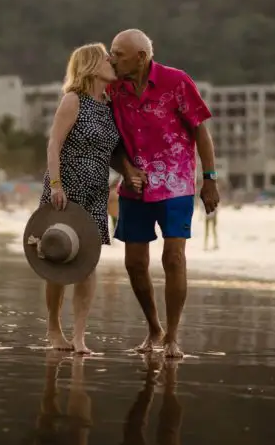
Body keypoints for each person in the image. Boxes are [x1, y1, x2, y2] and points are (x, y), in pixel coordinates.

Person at [108, 29, 220, 358]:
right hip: (134, 187)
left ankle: (172, 336)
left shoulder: (176, 82)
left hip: (177, 185)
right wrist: (127, 171)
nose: (112, 59)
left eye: (119, 53)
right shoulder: (113, 89)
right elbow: (110, 144)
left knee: (173, 258)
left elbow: (200, 129)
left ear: (142, 57)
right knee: (134, 263)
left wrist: (210, 178)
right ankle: (153, 328)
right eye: (112, 52)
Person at [39, 42, 119, 354]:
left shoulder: (110, 105)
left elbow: (113, 153)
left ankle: (80, 335)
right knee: (58, 259)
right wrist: (56, 186)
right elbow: (53, 146)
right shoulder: (73, 100)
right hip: (67, 189)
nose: (111, 61)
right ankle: (53, 329)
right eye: (105, 58)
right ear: (90, 65)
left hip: (96, 192)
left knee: (88, 263)